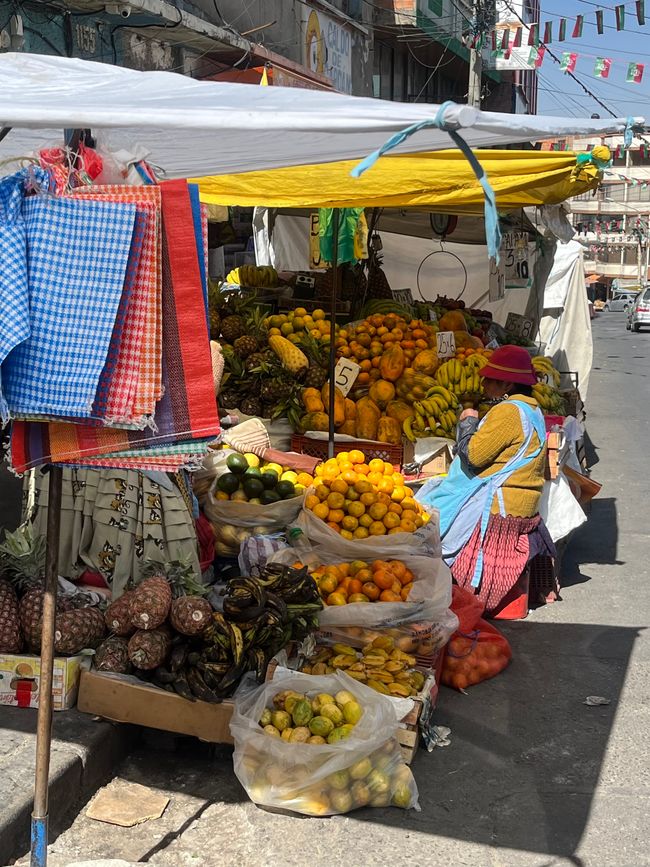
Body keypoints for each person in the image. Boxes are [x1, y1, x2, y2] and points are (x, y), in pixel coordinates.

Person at [421, 345, 557, 618]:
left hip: (499, 506)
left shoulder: (508, 412)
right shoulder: (533, 410)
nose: (483, 384)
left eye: (490, 380)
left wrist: (468, 423)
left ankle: (462, 595)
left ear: (506, 383)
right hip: (524, 502)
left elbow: (473, 456)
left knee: (429, 519)